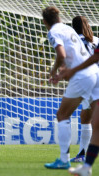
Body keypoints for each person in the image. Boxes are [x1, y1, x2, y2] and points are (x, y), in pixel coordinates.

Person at [42, 7, 99, 169]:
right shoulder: (68, 29)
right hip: (95, 73)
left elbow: (61, 55)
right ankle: (86, 166)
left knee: (62, 114)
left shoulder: (53, 32)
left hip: (82, 76)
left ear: (45, 21)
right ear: (59, 17)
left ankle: (64, 159)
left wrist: (54, 71)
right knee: (95, 121)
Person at [58, 40, 99, 176]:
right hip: (96, 84)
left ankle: (83, 161)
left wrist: (72, 71)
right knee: (96, 124)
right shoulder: (94, 40)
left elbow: (94, 58)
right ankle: (86, 167)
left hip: (90, 81)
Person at [70, 16, 99, 163]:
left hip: (89, 81)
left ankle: (82, 154)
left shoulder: (74, 41)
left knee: (89, 119)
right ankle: (83, 153)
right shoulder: (96, 40)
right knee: (87, 117)